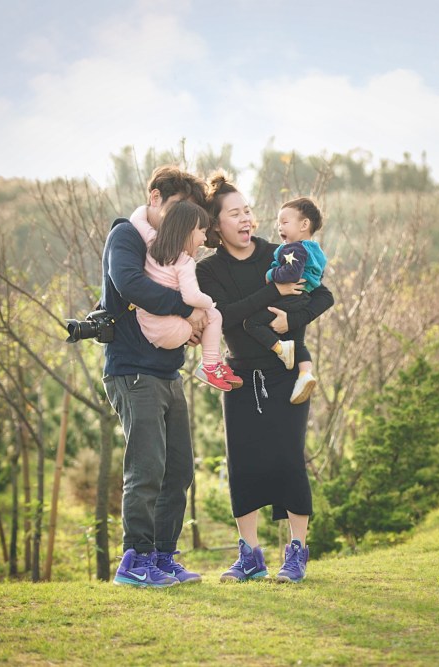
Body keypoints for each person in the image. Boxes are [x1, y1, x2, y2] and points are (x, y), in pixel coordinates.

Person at [196, 172, 335, 584]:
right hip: (239, 376)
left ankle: (296, 552)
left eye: (248, 211)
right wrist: (274, 292)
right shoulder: (209, 271)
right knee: (243, 464)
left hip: (287, 374)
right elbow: (225, 316)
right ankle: (250, 556)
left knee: (288, 458)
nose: (246, 220)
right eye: (234, 214)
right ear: (216, 225)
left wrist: (289, 319)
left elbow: (323, 296)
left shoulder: (282, 253)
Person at [101, 166, 208, 588]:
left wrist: (191, 327)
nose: (185, 221)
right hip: (132, 370)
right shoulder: (125, 235)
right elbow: (128, 283)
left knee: (178, 470)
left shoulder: (175, 251)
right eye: (180, 208)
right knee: (146, 468)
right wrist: (187, 310)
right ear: (156, 196)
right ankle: (135, 559)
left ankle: (162, 557)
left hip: (167, 370)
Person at [129, 199, 243, 391]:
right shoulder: (184, 262)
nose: (204, 238)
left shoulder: (152, 241)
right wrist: (209, 302)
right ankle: (210, 365)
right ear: (189, 230)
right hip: (173, 330)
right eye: (202, 231)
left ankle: (211, 364)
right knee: (214, 315)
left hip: (148, 325)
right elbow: (191, 297)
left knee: (205, 317)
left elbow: (136, 219)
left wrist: (146, 206)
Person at [243, 197, 327, 404]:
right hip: (303, 297)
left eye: (284, 222)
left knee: (251, 323)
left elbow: (291, 273)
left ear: (304, 224)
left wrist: (271, 275)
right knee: (299, 341)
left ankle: (280, 348)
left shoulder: (295, 249)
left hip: (290, 298)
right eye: (278, 223)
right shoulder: (314, 249)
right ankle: (305, 374)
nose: (279, 227)